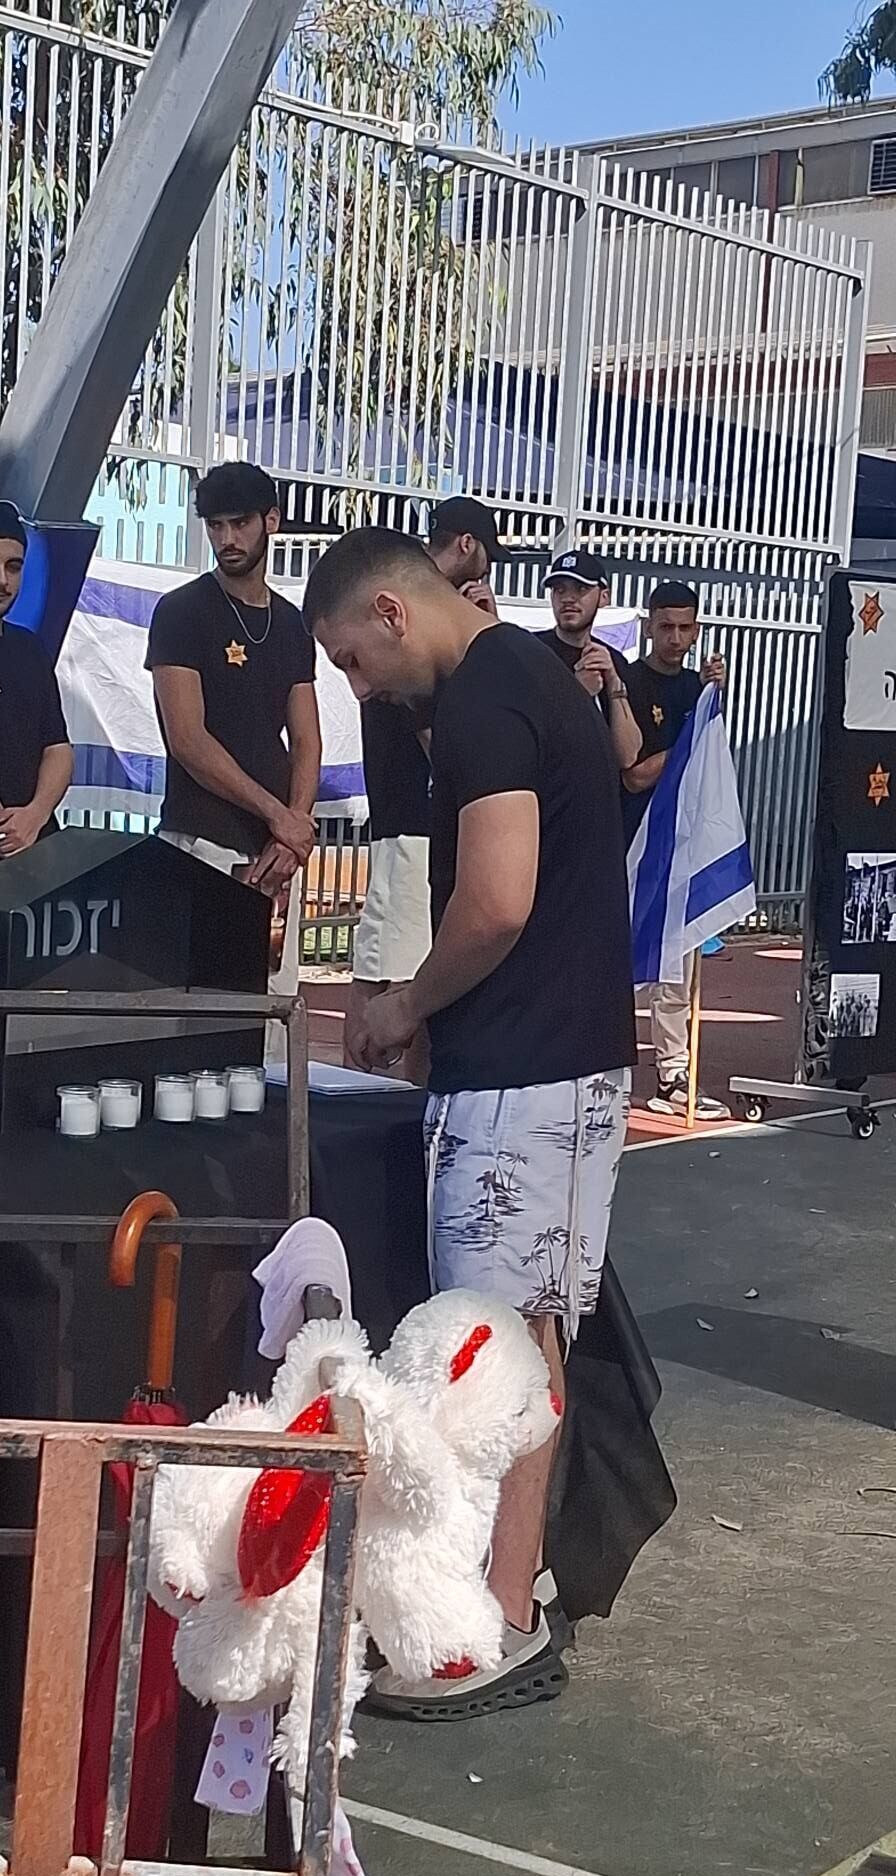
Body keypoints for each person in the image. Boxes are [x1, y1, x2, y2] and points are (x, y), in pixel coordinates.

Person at [304, 528, 636, 1715]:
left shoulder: (488, 703)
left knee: (490, 1350)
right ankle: (510, 1588)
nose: (358, 688)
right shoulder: (523, 678)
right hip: (559, 1065)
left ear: (393, 612)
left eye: (352, 659)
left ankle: (492, 1618)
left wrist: (405, 1003)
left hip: (524, 1076)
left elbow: (495, 900)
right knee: (527, 1341)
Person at [348, 497, 509, 1075]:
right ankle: (392, 1102)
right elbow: (443, 740)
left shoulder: (417, 613)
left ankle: (385, 1098)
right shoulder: (417, 626)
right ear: (467, 545)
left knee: (392, 969)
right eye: (487, 555)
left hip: (416, 821)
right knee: (401, 979)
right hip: (413, 821)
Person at [146, 462, 321, 990]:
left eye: (240, 523)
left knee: (272, 1001)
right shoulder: (182, 611)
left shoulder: (292, 623)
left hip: (274, 849)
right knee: (200, 1005)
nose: (227, 539)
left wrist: (293, 830)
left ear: (272, 521)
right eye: (215, 525)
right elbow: (188, 740)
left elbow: (307, 739)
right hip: (203, 837)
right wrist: (281, 816)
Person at [620, 580, 729, 1121]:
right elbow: (634, 774)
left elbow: (708, 765)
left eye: (686, 628)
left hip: (680, 846)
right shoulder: (628, 682)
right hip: (630, 841)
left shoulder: (696, 689)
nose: (676, 638)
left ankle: (673, 1072)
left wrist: (711, 704)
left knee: (677, 965)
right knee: (616, 960)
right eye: (666, 627)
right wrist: (687, 744)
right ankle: (606, 1066)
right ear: (649, 627)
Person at [0, 499, 73, 853]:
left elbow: (58, 749)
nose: (1, 580)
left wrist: (36, 815)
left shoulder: (29, 648)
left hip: (35, 852)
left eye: (13, 567)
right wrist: (6, 838)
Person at [536, 548, 642, 771]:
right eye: (559, 589)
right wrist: (578, 694)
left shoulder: (613, 661)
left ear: (604, 597)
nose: (568, 598)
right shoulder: (531, 652)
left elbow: (628, 756)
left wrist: (613, 683)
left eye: (581, 588)